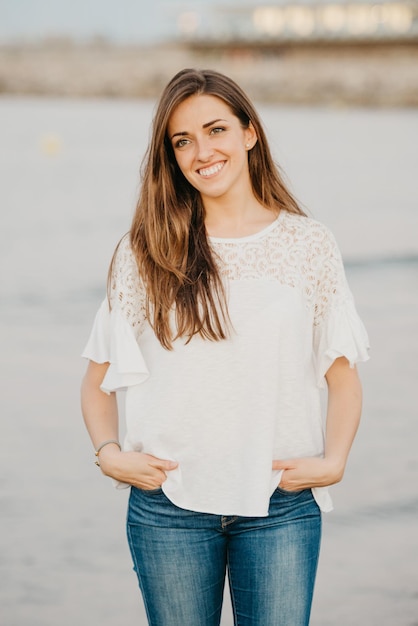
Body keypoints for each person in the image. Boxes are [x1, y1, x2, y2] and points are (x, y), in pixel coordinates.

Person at [81, 68, 369, 626]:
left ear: (249, 134)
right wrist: (109, 454)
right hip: (168, 507)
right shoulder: (145, 251)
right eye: (182, 141)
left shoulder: (309, 244)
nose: (201, 152)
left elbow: (342, 376)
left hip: (279, 503)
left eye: (216, 130)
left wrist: (334, 462)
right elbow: (97, 380)